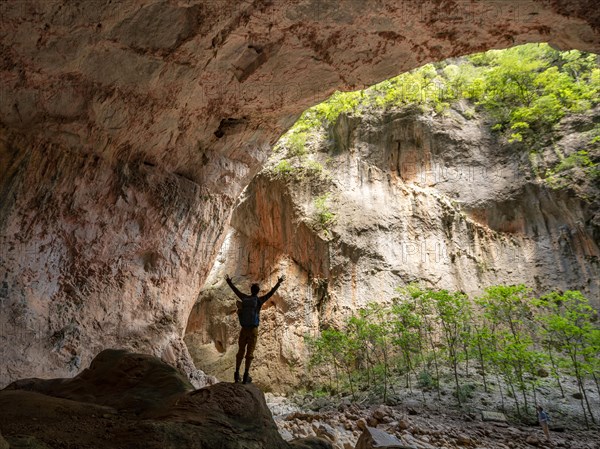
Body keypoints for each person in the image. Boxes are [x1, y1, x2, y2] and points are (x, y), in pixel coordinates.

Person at [225, 274, 285, 384]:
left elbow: (235, 291)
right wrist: (279, 282)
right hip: (253, 330)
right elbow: (271, 293)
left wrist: (229, 281)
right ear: (257, 291)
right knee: (250, 353)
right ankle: (246, 376)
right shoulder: (259, 300)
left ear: (251, 290)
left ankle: (237, 373)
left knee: (240, 351)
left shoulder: (244, 297)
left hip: (244, 329)